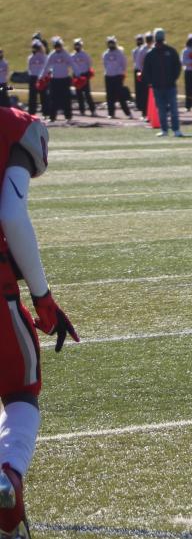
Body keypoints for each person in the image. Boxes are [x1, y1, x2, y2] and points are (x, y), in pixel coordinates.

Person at [0, 104, 80, 537]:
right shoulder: (14, 124)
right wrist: (43, 297)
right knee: (20, 391)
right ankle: (8, 474)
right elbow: (11, 215)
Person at [142, 28, 183, 138]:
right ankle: (164, 130)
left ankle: (176, 130)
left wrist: (173, 78)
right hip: (158, 87)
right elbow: (146, 70)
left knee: (173, 109)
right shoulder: (151, 54)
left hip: (170, 86)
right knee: (161, 110)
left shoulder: (170, 51)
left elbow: (177, 67)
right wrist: (152, 82)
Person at [41, 39, 72, 124]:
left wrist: (78, 74)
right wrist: (41, 76)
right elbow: (46, 66)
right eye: (56, 46)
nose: (58, 48)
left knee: (66, 99)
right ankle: (52, 117)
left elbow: (72, 64)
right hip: (54, 80)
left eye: (59, 46)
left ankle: (68, 117)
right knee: (53, 99)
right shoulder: (52, 54)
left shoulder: (65, 54)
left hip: (64, 79)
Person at [101, 36, 132, 119]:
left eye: (112, 43)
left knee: (121, 95)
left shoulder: (119, 53)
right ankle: (111, 113)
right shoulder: (105, 54)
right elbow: (105, 64)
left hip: (118, 76)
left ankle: (128, 113)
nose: (111, 45)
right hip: (108, 76)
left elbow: (124, 64)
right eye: (109, 43)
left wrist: (121, 73)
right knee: (109, 96)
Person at [67, 39, 97, 118]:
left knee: (87, 94)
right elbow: (70, 65)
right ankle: (82, 110)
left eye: (78, 45)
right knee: (79, 94)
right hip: (76, 76)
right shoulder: (72, 56)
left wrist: (86, 72)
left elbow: (89, 63)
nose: (77, 47)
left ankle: (92, 110)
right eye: (76, 45)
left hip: (84, 75)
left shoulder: (85, 55)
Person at [24, 42, 44, 117]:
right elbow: (29, 68)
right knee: (32, 96)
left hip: (41, 77)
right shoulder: (30, 57)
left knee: (43, 96)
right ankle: (31, 112)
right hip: (33, 77)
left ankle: (45, 112)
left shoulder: (43, 57)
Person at [132, 33, 150, 114]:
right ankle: (139, 104)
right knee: (138, 88)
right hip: (137, 69)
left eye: (140, 40)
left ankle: (144, 105)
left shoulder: (143, 49)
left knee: (143, 89)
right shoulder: (135, 50)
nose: (139, 41)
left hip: (143, 70)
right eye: (138, 40)